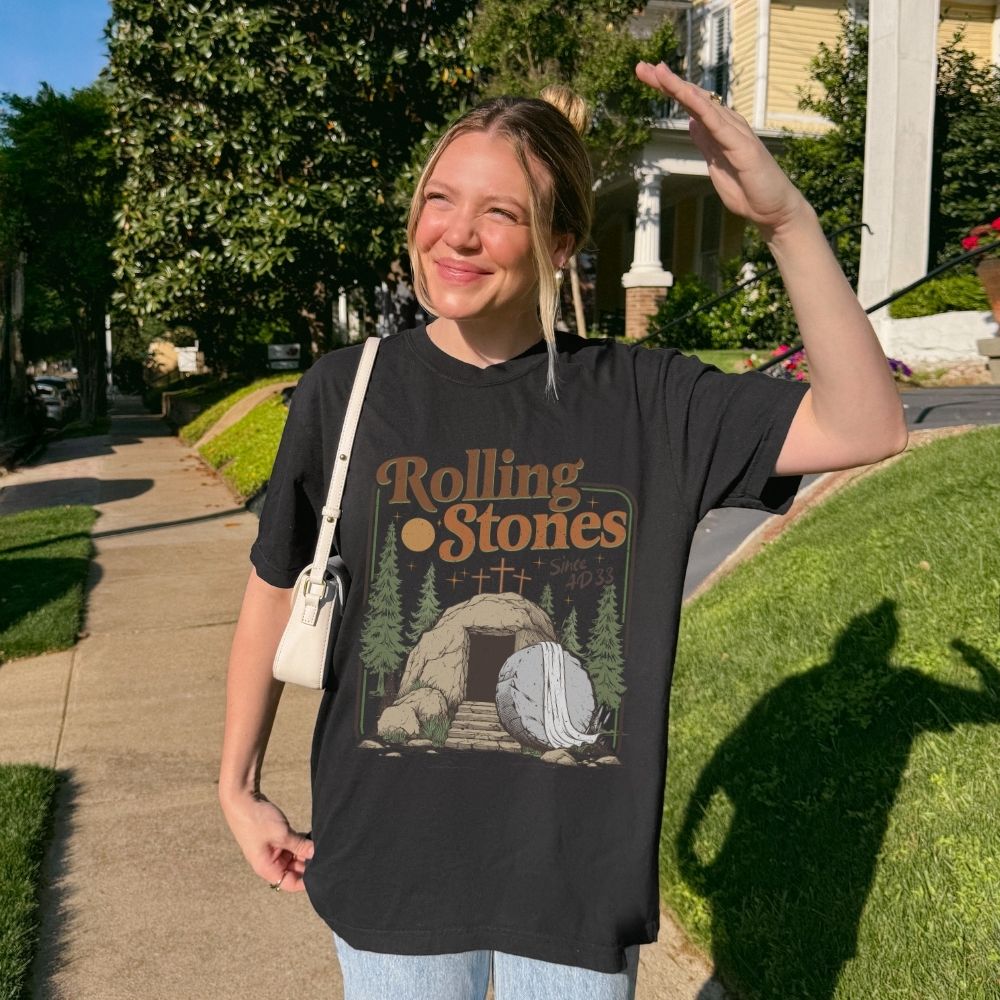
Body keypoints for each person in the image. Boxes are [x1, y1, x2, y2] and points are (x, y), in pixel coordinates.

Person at [219, 62, 907, 1000]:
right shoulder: (348, 390)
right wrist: (239, 782)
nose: (457, 234)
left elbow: (868, 424)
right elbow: (274, 583)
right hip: (388, 866)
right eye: (439, 199)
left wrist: (785, 220)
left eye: (501, 214)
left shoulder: (645, 399)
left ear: (562, 244)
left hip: (574, 885)